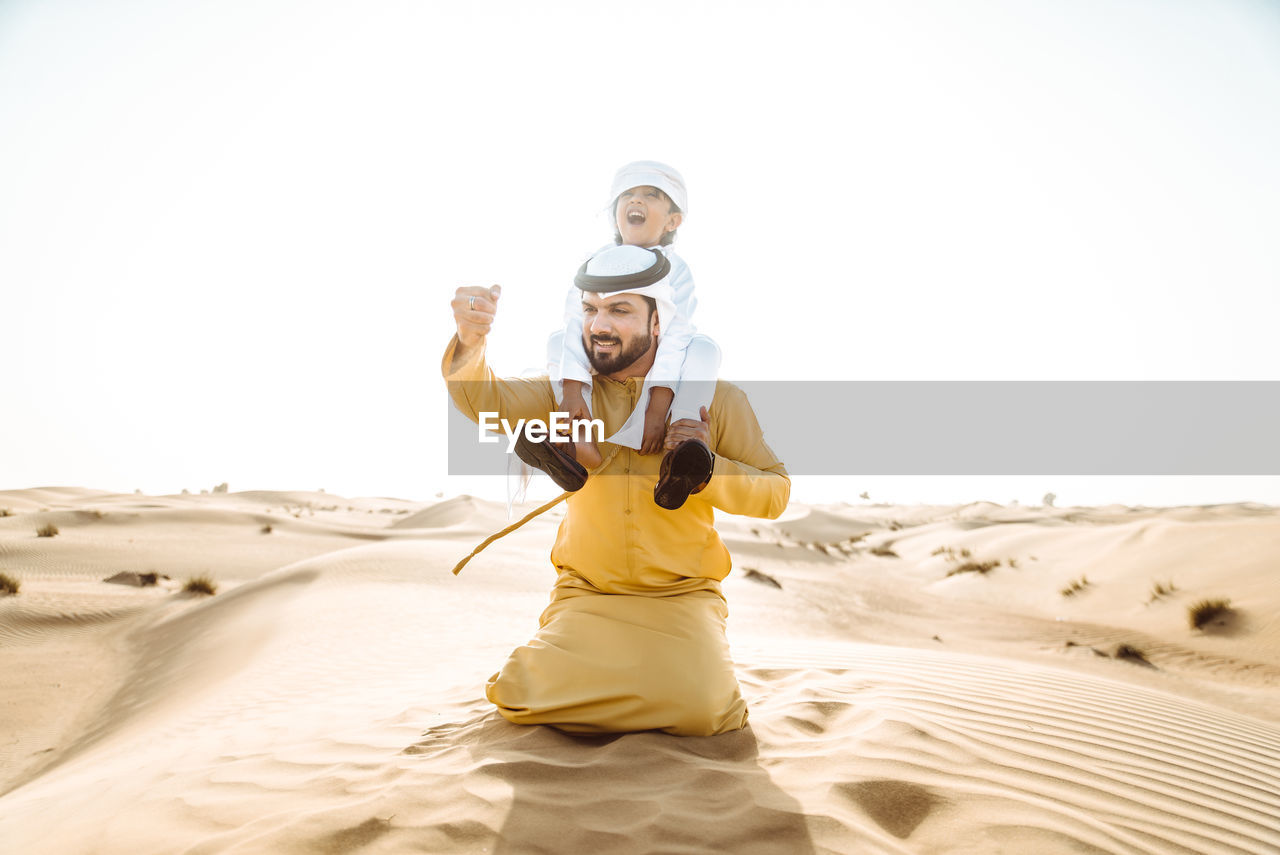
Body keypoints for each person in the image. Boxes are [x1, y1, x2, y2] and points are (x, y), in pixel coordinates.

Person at [444, 245, 789, 736]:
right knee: (518, 694)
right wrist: (470, 341)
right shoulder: (559, 396)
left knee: (706, 711)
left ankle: (644, 684)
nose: (599, 325)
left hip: (682, 598)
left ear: (657, 323)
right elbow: (479, 399)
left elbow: (775, 492)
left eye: (619, 310)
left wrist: (708, 470)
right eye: (590, 309)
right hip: (587, 595)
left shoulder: (716, 399)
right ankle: (626, 683)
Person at [548, 160, 721, 481]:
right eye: (627, 194)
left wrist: (658, 410)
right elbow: (575, 322)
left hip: (655, 365)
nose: (636, 201)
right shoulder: (594, 262)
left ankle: (681, 445)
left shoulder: (676, 268)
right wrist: (571, 391)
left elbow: (676, 337)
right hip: (606, 355)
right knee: (557, 340)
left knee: (705, 349)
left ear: (673, 220)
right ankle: (579, 441)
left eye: (651, 195)